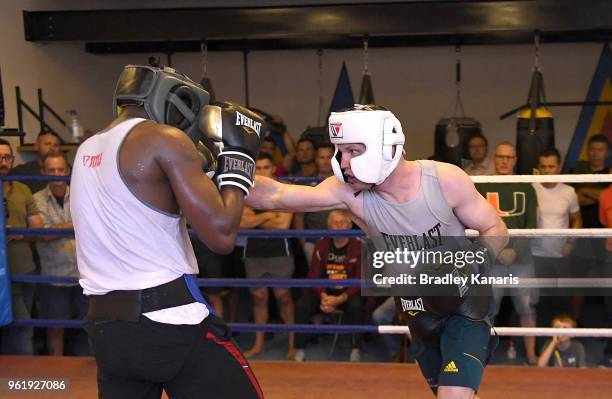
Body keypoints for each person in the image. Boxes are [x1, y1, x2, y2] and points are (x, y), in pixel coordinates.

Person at [248, 104, 508, 399]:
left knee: (454, 395)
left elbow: (495, 228)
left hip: (464, 304)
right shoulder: (349, 192)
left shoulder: (444, 180)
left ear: (383, 148)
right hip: (415, 308)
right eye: (340, 152)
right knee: (447, 393)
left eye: (354, 152)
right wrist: (216, 171)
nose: (343, 163)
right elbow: (275, 195)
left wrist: (471, 264)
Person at [70, 65, 264, 398]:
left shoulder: (87, 148)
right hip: (169, 318)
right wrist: (240, 159)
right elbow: (221, 236)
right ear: (170, 98)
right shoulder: (163, 139)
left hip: (106, 327)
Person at [476, 142, 539, 365]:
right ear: (494, 158)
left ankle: (531, 355)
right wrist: (497, 250)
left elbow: (532, 224)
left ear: (515, 160)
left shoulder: (526, 186)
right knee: (487, 309)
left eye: (509, 157)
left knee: (526, 307)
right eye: (501, 156)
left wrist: (514, 250)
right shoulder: (482, 185)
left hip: (521, 260)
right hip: (493, 259)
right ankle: (480, 354)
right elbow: (475, 223)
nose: (504, 161)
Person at [33, 152, 88, 356]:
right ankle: (57, 371)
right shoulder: (36, 199)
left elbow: (93, 225)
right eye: (51, 170)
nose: (57, 174)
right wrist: (77, 225)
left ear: (68, 171)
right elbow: (44, 234)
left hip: (83, 274)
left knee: (89, 325)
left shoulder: (82, 193)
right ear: (43, 172)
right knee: (55, 327)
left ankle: (91, 373)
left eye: (60, 169)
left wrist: (57, 229)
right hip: (53, 275)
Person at [241, 153, 295, 358]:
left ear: (273, 169)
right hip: (254, 252)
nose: (263, 172)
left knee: (283, 297)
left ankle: (292, 343)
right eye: (259, 168)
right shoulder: (244, 191)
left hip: (280, 251)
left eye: (266, 168)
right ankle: (258, 344)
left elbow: (282, 225)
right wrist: (269, 215)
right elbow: (241, 223)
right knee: (259, 297)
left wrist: (256, 216)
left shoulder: (284, 190)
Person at [293, 209, 363, 362]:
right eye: (335, 223)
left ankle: (355, 349)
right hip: (325, 290)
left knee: (357, 305)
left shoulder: (359, 246)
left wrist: (341, 298)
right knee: (302, 304)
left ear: (350, 226)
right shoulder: (322, 244)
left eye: (343, 223)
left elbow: (360, 279)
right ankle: (299, 349)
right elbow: (314, 275)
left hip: (348, 292)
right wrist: (324, 296)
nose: (339, 226)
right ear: (329, 226)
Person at [0, 138, 43, 355]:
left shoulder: (23, 188)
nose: (3, 162)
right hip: (1, 273)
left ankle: (25, 378)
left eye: (7, 157)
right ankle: (22, 376)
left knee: (24, 323)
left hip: (24, 268)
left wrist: (19, 233)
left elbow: (37, 227)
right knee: (21, 325)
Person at [531, 148, 581, 324]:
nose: (547, 170)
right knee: (540, 300)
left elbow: (577, 220)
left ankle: (564, 341)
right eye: (543, 167)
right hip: (537, 254)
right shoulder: (531, 189)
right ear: (539, 168)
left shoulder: (569, 191)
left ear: (559, 167)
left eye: (551, 166)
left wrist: (571, 242)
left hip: (561, 254)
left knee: (563, 299)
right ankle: (544, 341)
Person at [293, 144, 335, 265]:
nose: (326, 161)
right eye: (322, 157)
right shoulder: (305, 182)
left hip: (341, 240)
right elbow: (299, 215)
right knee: (317, 280)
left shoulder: (344, 182)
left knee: (339, 279)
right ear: (316, 159)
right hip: (313, 241)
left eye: (329, 157)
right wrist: (304, 242)